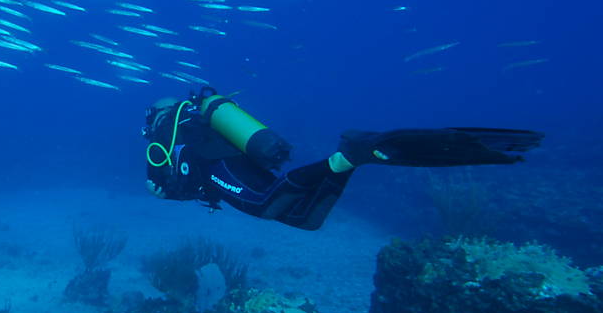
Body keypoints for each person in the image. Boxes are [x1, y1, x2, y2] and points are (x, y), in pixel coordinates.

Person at [142, 87, 544, 231]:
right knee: (306, 219)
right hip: (231, 166)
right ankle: (353, 159)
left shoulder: (179, 146)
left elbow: (184, 182)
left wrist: (163, 192)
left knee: (265, 208)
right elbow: (190, 185)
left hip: (223, 169)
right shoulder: (191, 140)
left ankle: (347, 153)